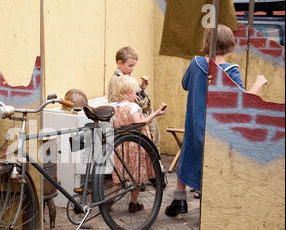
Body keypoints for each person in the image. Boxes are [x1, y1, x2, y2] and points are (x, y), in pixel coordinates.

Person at [165, 24, 268, 217]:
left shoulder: (196, 64)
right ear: (230, 45)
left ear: (206, 43)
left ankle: (179, 200)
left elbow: (184, 84)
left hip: (194, 125)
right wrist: (257, 84)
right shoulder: (231, 71)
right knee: (211, 167)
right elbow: (242, 103)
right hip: (218, 133)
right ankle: (208, 212)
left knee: (187, 157)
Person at [110, 75, 168, 212]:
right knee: (136, 176)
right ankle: (133, 203)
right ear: (129, 93)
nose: (137, 95)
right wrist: (156, 114)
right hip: (136, 145)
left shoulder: (116, 107)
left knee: (120, 176)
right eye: (135, 92)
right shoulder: (132, 107)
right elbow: (140, 123)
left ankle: (109, 200)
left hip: (121, 146)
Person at [108, 47, 161, 150]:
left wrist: (142, 88)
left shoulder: (128, 76)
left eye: (134, 66)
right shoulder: (117, 80)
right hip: (136, 117)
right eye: (130, 65)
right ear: (119, 63)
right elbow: (117, 100)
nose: (132, 69)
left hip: (145, 113)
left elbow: (135, 95)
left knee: (154, 142)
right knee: (148, 147)